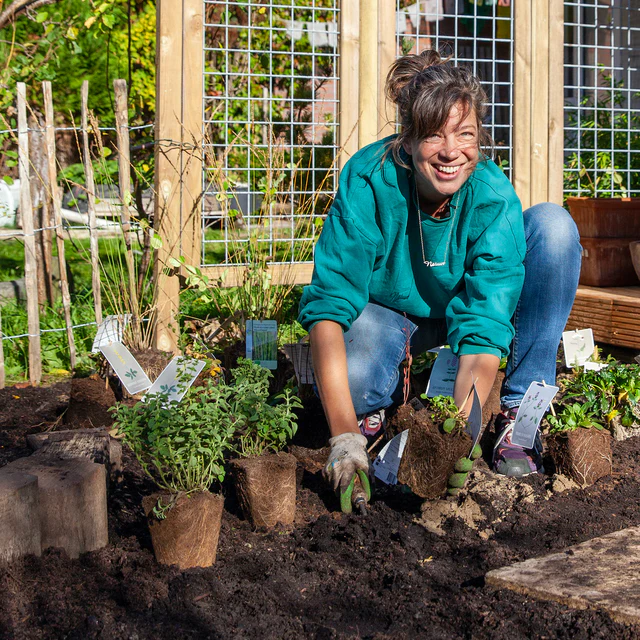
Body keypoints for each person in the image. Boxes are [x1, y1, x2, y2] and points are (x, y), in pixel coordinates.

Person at [298, 50, 582, 502]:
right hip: (388, 312)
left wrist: (453, 439)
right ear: (408, 140)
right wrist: (344, 439)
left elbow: (484, 327)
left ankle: (515, 416)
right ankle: (370, 416)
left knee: (554, 226)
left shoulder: (491, 198)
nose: (451, 152)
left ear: (480, 139)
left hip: (458, 312)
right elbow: (329, 306)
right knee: (350, 380)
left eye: (465, 134)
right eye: (433, 136)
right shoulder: (370, 179)